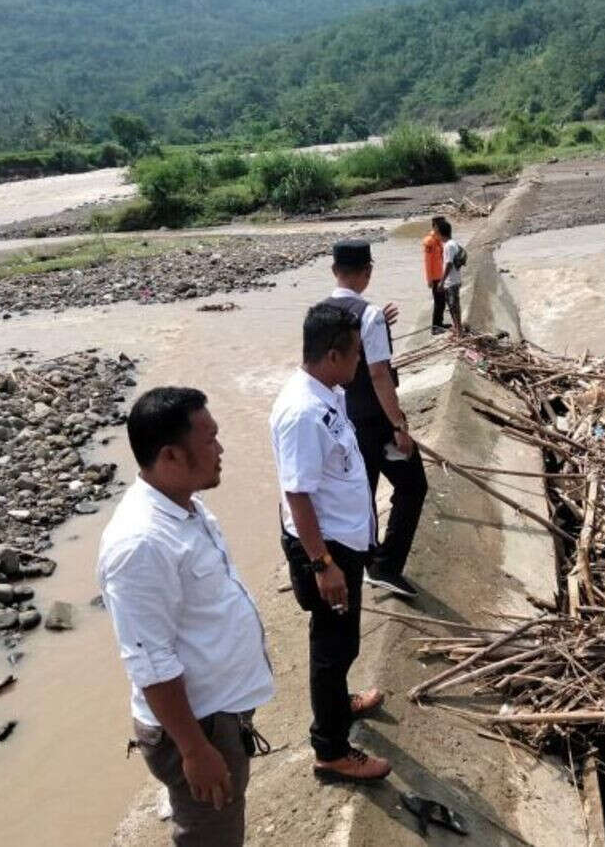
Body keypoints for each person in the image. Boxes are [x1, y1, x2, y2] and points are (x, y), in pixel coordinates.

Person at [98, 387, 274, 847]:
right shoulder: (140, 543)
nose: (221, 449)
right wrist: (195, 749)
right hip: (198, 729)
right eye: (210, 440)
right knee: (210, 837)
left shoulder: (184, 506)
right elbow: (149, 660)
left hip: (218, 715)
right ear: (172, 456)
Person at [270, 302, 392, 784]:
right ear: (333, 355)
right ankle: (332, 750)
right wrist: (323, 564)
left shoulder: (327, 393)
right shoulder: (302, 411)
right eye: (357, 354)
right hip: (326, 550)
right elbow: (296, 494)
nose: (362, 362)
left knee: (342, 643)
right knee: (331, 645)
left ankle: (341, 705)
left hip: (341, 543)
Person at [323, 238, 426, 599]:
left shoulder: (321, 313)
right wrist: (399, 426)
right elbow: (380, 374)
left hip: (340, 419)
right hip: (374, 420)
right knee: (413, 485)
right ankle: (384, 566)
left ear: (334, 271)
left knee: (361, 491)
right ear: (367, 272)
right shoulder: (369, 316)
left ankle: (363, 560)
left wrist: (379, 320)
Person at [437, 217, 464, 339]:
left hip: (451, 281)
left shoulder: (448, 246)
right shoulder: (454, 243)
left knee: (454, 306)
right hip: (454, 279)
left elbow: (448, 264)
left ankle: (459, 331)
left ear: (441, 233)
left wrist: (442, 281)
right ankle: (457, 328)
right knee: (453, 305)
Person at [424, 216, 447, 334]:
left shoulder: (438, 240)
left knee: (442, 301)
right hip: (435, 277)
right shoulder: (430, 241)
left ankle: (440, 323)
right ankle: (435, 327)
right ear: (436, 226)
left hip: (441, 275)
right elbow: (427, 262)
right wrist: (429, 279)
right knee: (439, 302)